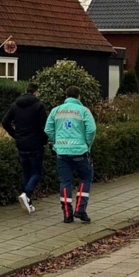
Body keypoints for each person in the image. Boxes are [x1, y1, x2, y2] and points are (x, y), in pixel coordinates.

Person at [44, 86, 97, 224]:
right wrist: (87, 144)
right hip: (80, 152)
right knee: (86, 178)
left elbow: (48, 129)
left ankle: (67, 214)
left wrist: (56, 141)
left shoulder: (56, 110)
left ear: (66, 96)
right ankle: (80, 209)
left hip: (61, 152)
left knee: (65, 182)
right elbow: (91, 130)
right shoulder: (84, 111)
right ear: (78, 96)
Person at [2, 82, 49, 214]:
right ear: (35, 92)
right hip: (35, 144)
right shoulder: (39, 106)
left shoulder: (15, 105)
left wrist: (15, 135)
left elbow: (5, 122)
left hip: (21, 143)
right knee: (36, 173)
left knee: (26, 172)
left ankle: (28, 203)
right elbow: (43, 127)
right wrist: (44, 140)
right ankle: (27, 194)